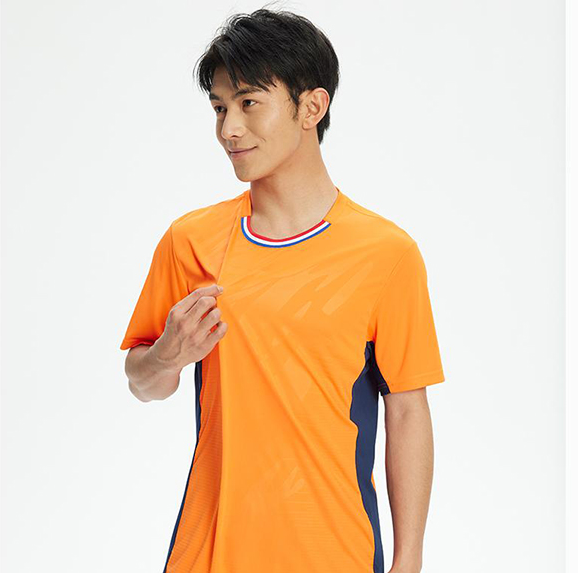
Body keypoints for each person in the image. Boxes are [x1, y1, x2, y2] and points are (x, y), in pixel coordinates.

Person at [120, 8, 445, 573]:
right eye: (219, 108)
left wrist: (409, 559)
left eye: (249, 103)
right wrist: (168, 355)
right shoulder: (190, 241)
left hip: (334, 551)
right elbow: (142, 382)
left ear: (311, 107)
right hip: (209, 550)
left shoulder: (386, 255)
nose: (229, 129)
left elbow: (407, 412)